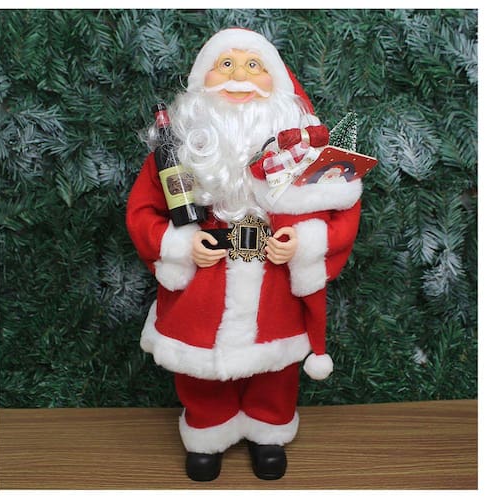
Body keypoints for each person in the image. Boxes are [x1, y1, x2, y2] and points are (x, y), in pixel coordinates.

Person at [126, 28, 362, 482]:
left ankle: (268, 431)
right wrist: (181, 246)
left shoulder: (307, 155)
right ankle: (207, 430)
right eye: (226, 65)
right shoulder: (176, 149)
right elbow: (142, 213)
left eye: (254, 66)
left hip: (274, 281)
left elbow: (342, 213)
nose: (239, 77)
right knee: (199, 371)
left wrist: (301, 242)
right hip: (203, 284)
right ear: (202, 81)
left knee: (275, 370)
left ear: (277, 83)